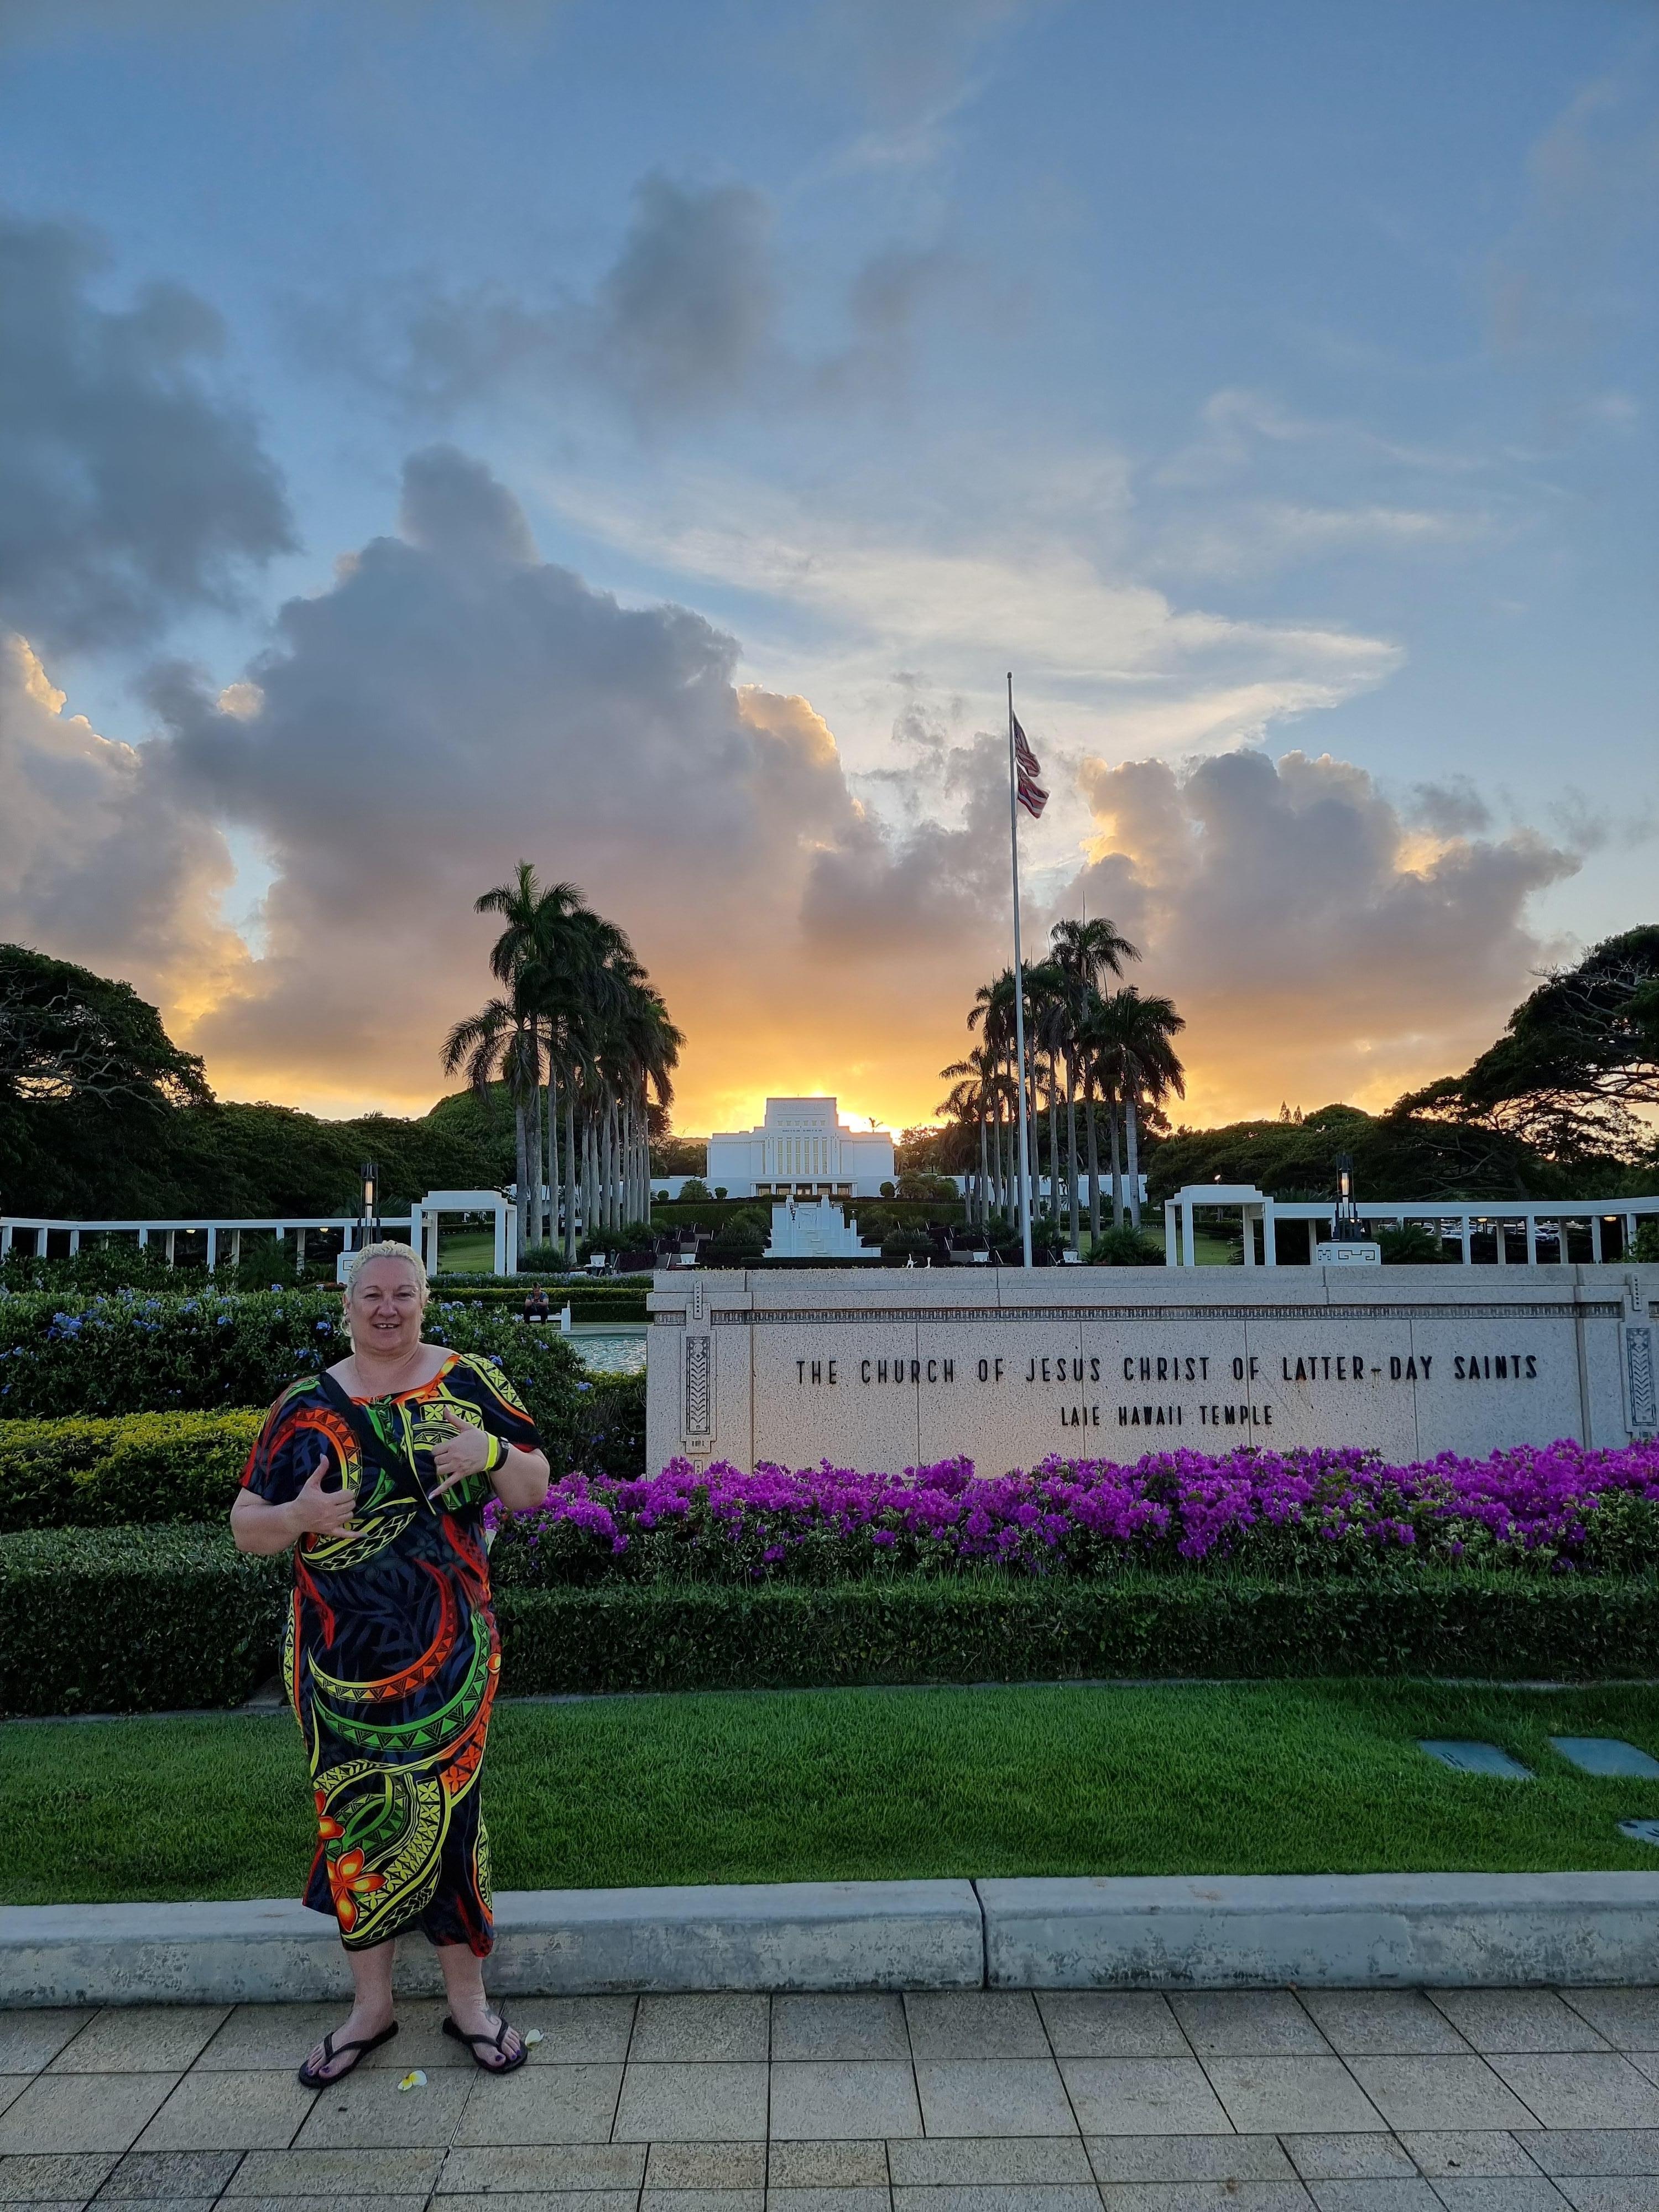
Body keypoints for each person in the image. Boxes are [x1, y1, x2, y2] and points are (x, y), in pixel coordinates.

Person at [231, 1241, 551, 2088]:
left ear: (424, 1300)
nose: (387, 1308)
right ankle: (371, 2011)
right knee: (350, 1823)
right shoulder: (303, 1406)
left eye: (402, 1295)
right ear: (348, 1304)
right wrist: (297, 1512)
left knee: (452, 1820)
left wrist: (490, 1455)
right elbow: (245, 1526)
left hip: (451, 1652)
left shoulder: (469, 1382)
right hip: (335, 1664)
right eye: (371, 1295)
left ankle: (469, 2005)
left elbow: (534, 1488)